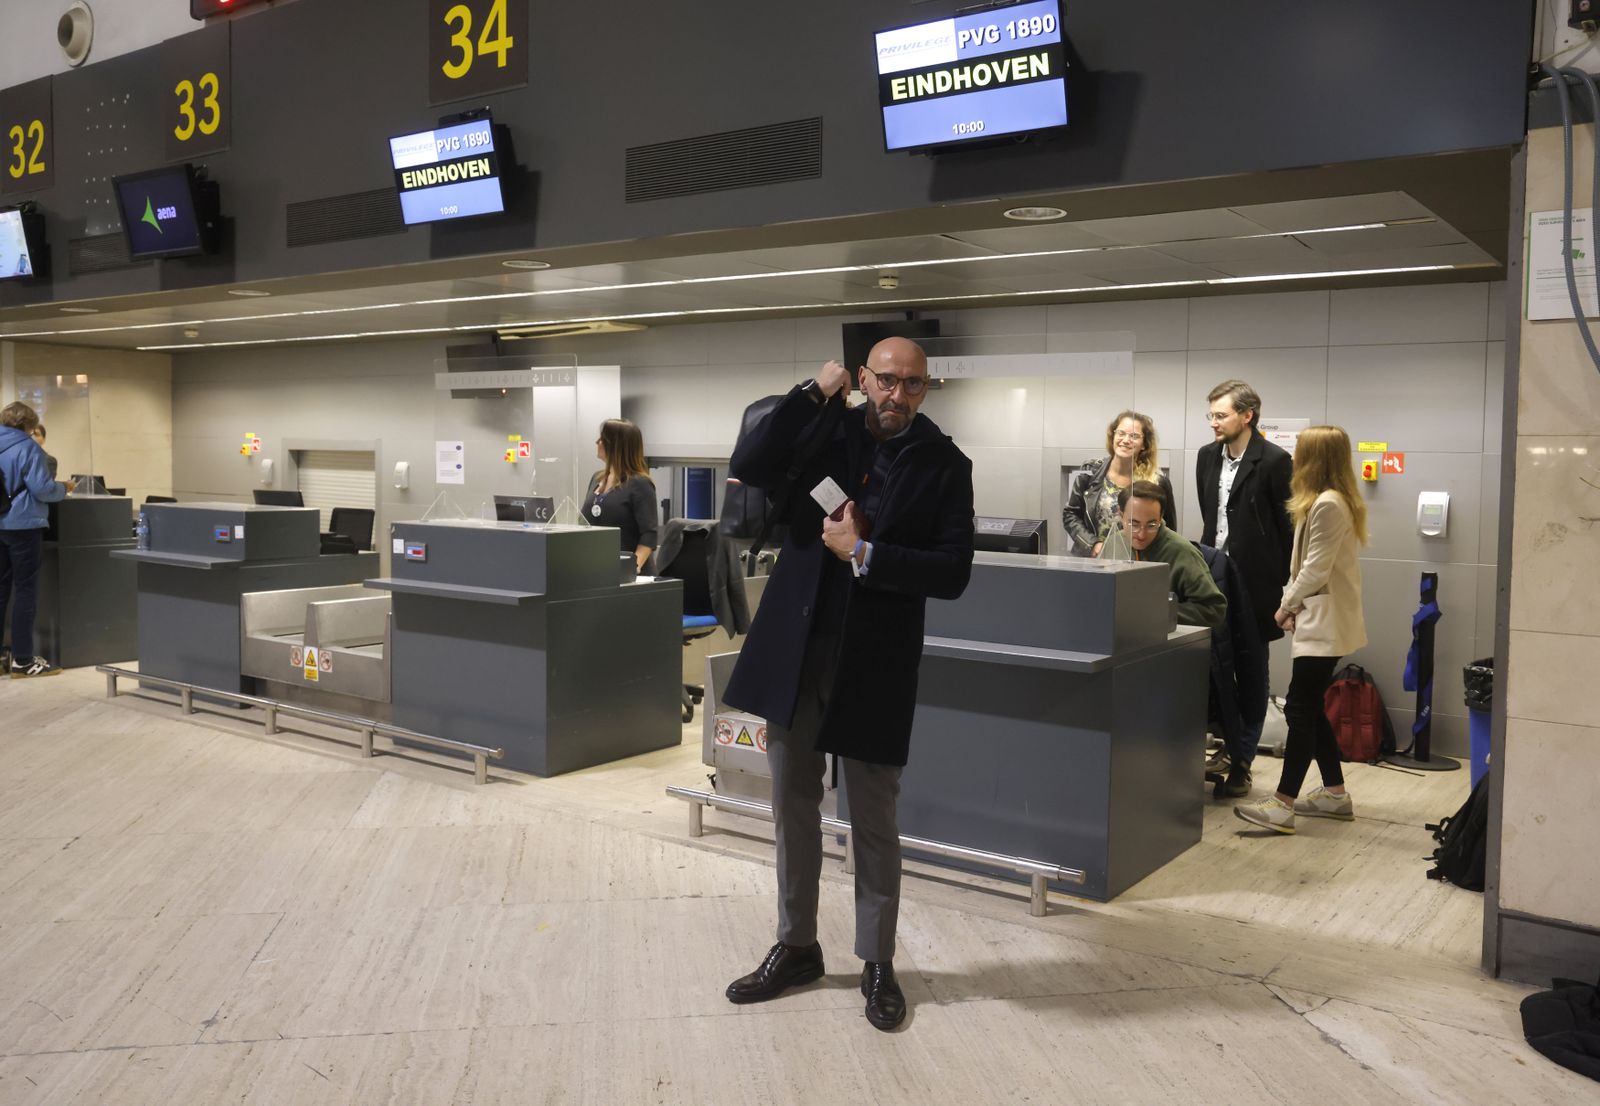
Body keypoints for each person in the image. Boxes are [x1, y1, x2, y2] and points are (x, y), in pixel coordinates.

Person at [721, 338, 974, 1032]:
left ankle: (877, 961)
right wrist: (811, 391)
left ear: (927, 390)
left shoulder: (945, 464)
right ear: (862, 378)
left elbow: (953, 570)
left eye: (914, 385)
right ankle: (796, 945)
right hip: (797, 649)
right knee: (791, 803)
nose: (898, 395)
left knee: (873, 818)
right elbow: (747, 464)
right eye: (886, 381)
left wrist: (866, 553)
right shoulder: (825, 426)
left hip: (876, 660)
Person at [1235, 425, 1368, 834]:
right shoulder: (1329, 501)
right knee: (1308, 707)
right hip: (1322, 616)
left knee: (1298, 707)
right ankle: (1334, 794)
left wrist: (1285, 605)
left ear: (1315, 458)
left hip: (1324, 620)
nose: (1292, 460)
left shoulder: (1329, 504)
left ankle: (1283, 802)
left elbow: (1315, 569)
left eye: (1300, 452)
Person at [1195, 380, 1294, 796]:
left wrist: (1287, 588)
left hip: (1256, 585)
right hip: (1212, 578)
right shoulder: (1206, 458)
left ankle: (1243, 763)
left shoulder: (1274, 461)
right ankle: (1215, 748)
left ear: (1247, 415)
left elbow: (1286, 530)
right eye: (1212, 416)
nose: (1214, 423)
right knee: (1208, 672)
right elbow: (1209, 515)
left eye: (1221, 415)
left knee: (1252, 675)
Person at [0, 402, 73, 677]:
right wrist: (63, 489)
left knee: (1, 590)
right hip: (22, 525)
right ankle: (22, 659)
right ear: (29, 425)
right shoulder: (30, 449)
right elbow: (42, 490)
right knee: (26, 591)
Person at [1098, 480, 1225, 629]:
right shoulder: (1114, 543)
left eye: (1151, 525)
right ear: (1121, 515)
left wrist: (1158, 613)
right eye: (1134, 523)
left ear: (1161, 517)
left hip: (1165, 640)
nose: (1141, 534)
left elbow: (1215, 610)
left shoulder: (1182, 552)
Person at [1063, 411, 1176, 557]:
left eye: (1134, 436)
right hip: (1093, 560)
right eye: (1121, 433)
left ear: (1144, 445)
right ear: (1113, 436)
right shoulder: (1090, 472)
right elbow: (1071, 514)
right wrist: (1092, 544)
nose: (1126, 440)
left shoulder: (1158, 483)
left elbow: (1168, 531)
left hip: (1137, 563)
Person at [582, 418, 658, 573]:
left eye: (602, 439)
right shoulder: (597, 479)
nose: (597, 442)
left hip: (629, 575)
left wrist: (632, 568)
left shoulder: (640, 484)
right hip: (598, 569)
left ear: (615, 446)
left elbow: (649, 535)